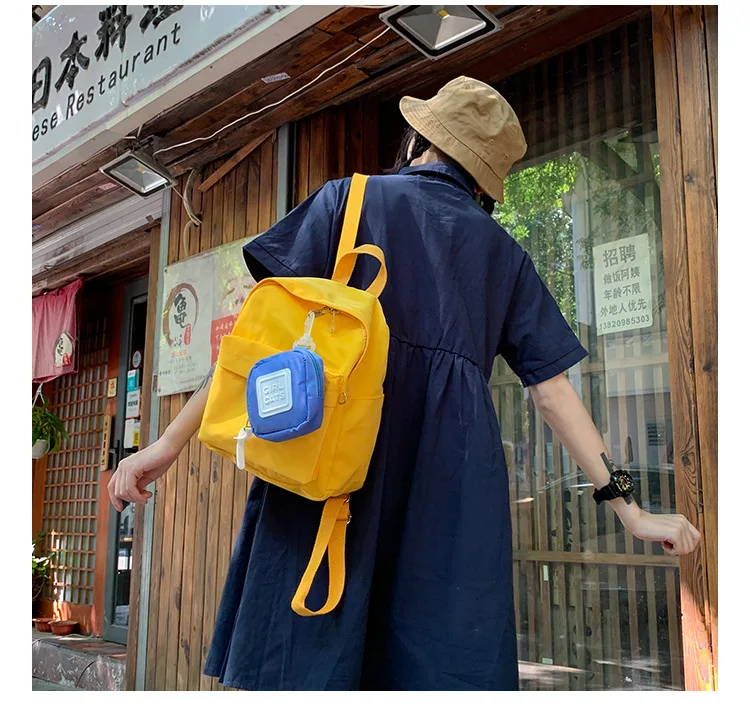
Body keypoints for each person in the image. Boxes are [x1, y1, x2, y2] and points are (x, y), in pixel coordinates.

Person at [108, 76, 700, 691]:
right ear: (484, 182)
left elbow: (255, 346)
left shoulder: (348, 202)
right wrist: (630, 510)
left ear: (418, 140)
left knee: (307, 661)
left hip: (329, 474)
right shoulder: (504, 256)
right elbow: (552, 393)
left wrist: (166, 445)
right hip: (451, 495)